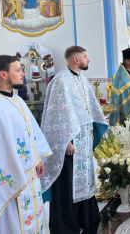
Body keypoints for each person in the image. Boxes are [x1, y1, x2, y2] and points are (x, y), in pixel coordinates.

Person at [41, 46, 108, 234]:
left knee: (85, 181)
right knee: (67, 184)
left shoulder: (83, 80)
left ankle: (85, 219)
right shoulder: (60, 81)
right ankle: (66, 226)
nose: (88, 59)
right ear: (76, 59)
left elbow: (90, 109)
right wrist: (66, 141)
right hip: (69, 143)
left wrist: (92, 128)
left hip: (84, 139)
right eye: (86, 57)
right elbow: (56, 117)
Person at [0, 55, 52, 234]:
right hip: (12, 178)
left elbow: (29, 132)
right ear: (3, 74)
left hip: (30, 174)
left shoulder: (17, 100)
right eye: (18, 70)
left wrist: (37, 159)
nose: (23, 73)